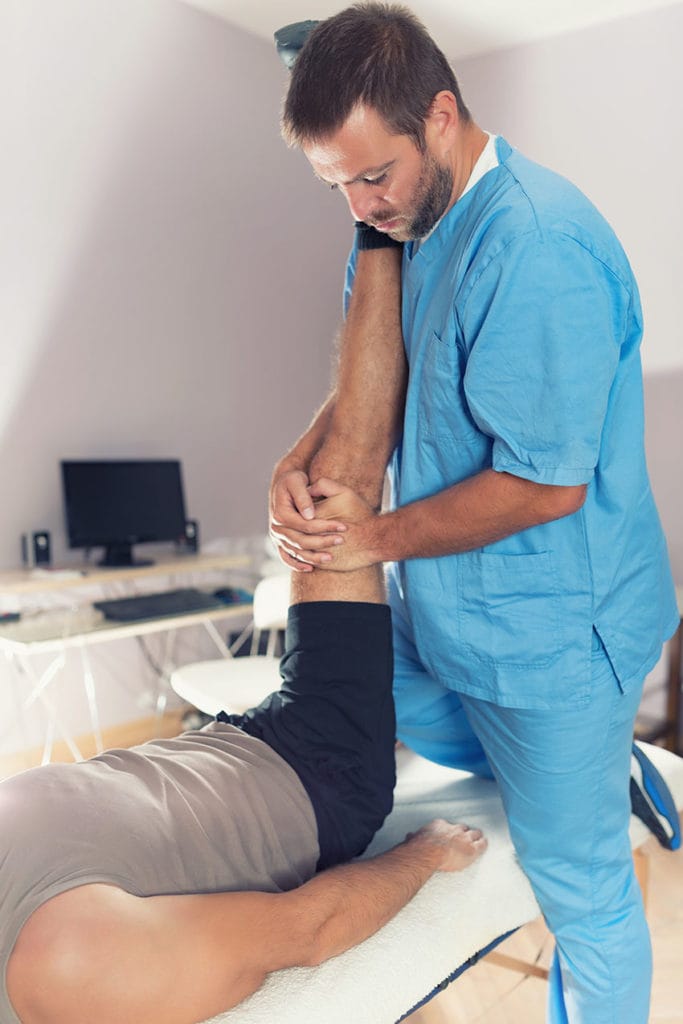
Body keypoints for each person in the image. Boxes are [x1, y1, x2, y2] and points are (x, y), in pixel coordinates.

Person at [268, 5, 680, 1023]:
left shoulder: (535, 249)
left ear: (441, 114)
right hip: (455, 602)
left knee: (574, 882)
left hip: (553, 626)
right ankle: (596, 767)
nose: (360, 203)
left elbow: (545, 487)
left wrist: (367, 537)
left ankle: (585, 769)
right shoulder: (410, 217)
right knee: (354, 680)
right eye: (337, 187)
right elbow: (392, 373)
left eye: (372, 177)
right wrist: (306, 444)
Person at [1, 246, 486, 1024]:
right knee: (336, 484)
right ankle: (383, 232)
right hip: (325, 773)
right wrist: (427, 853)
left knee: (318, 489)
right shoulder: (67, 969)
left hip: (233, 745)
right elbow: (309, 931)